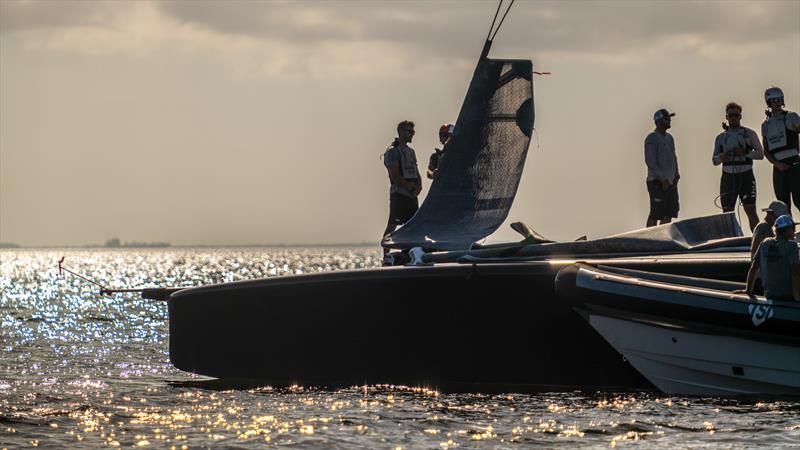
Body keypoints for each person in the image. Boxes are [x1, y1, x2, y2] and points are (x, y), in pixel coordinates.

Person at [712, 102, 764, 231]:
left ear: (740, 116)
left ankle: (757, 238)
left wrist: (746, 153)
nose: (733, 118)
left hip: (746, 175)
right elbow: (714, 160)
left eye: (736, 115)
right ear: (727, 117)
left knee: (750, 208)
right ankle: (731, 239)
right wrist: (722, 157)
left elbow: (761, 154)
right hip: (728, 176)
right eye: (731, 115)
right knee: (727, 212)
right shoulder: (721, 138)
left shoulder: (749, 133)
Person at [381, 120, 421, 262]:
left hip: (412, 196)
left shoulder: (411, 152)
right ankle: (385, 255)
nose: (411, 134)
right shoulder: (392, 151)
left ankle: (411, 253)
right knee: (393, 224)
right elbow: (395, 175)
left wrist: (418, 187)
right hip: (399, 194)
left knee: (413, 226)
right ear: (401, 132)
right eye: (408, 131)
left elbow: (416, 171)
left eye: (413, 132)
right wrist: (408, 186)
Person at [738, 214, 800, 301]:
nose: (795, 231)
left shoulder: (764, 243)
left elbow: (753, 268)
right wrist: (797, 298)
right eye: (793, 228)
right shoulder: (792, 246)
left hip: (770, 295)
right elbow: (795, 272)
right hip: (787, 297)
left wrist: (748, 290)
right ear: (787, 230)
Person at [761, 86, 800, 215]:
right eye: (774, 100)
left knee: (798, 200)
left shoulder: (791, 116)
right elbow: (766, 151)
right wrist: (777, 164)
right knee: (782, 204)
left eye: (779, 100)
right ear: (769, 103)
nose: (777, 103)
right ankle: (788, 233)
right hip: (778, 166)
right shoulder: (765, 124)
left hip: (794, 163)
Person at [645, 108, 680, 227]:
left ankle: (662, 237)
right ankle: (650, 238)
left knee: (669, 212)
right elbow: (650, 162)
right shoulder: (652, 138)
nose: (669, 120)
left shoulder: (670, 138)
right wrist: (662, 178)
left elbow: (674, 156)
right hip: (656, 182)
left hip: (670, 181)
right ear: (658, 121)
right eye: (666, 118)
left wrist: (677, 174)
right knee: (656, 213)